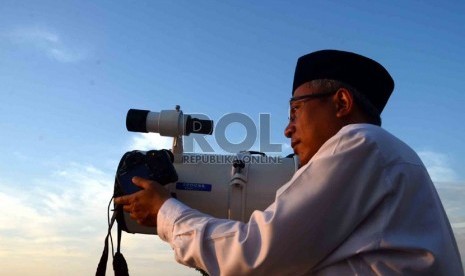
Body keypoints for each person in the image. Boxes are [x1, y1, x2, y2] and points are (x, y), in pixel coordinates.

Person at [115, 50, 464, 275]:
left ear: (341, 103)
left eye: (296, 110)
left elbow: (254, 255)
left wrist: (166, 213)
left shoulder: (360, 143)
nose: (287, 129)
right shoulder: (386, 157)